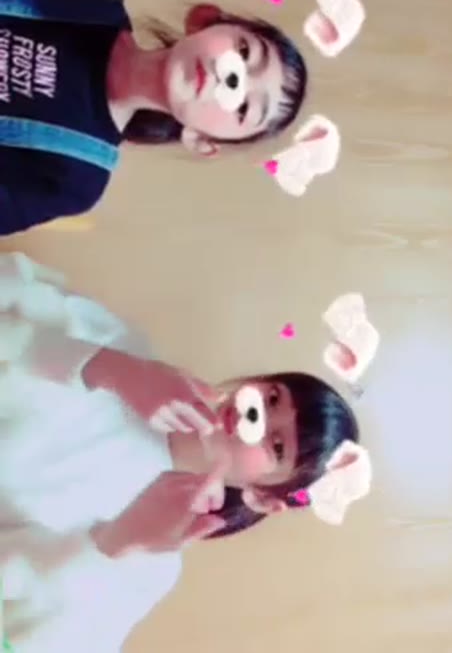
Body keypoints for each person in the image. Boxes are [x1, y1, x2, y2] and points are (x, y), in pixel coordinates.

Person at [0, 252, 367, 651]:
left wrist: (112, 543)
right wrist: (105, 366)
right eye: (272, 398)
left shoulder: (154, 558)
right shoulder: (128, 351)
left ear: (263, 496)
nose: (255, 415)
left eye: (276, 445)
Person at [0, 0, 308, 236]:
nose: (231, 79)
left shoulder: (71, 179)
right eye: (244, 52)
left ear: (203, 140)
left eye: (243, 109)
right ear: (206, 20)